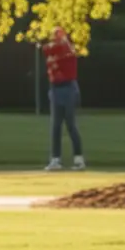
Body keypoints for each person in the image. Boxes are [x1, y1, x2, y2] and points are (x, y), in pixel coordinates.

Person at [41, 26, 85, 171]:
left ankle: (79, 160)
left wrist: (62, 41)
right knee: (56, 126)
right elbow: (46, 49)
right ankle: (55, 159)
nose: (57, 39)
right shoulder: (52, 50)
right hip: (55, 88)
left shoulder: (68, 51)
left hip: (68, 88)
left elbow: (59, 49)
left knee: (71, 124)